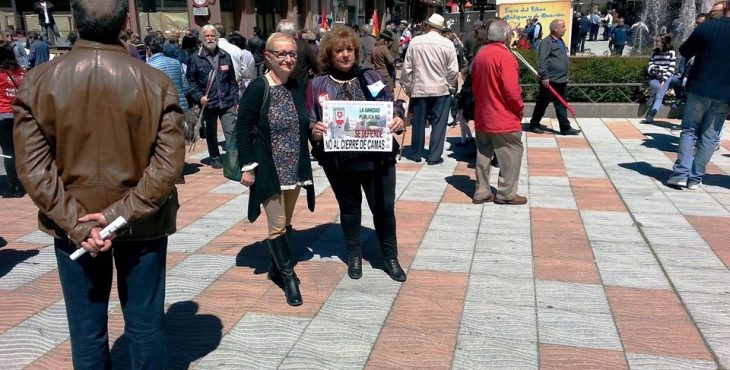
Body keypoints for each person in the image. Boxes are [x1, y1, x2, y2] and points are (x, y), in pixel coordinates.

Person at [13, 0, 185, 368]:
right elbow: (168, 164)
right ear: (126, 21)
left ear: (74, 19)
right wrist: (118, 215)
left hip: (74, 226)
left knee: (86, 327)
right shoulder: (155, 81)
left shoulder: (39, 81)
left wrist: (78, 222)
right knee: (145, 324)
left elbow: (33, 167)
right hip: (142, 223)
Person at [307, 25, 408, 282]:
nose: (345, 55)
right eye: (339, 50)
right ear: (329, 54)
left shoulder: (370, 77)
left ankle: (390, 257)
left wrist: (397, 117)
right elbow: (309, 120)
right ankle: (354, 255)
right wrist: (314, 131)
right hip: (340, 161)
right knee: (350, 209)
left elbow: (391, 103)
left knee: (384, 209)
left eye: (349, 50)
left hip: (377, 158)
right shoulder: (318, 84)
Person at [237, 32, 315, 306]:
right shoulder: (259, 87)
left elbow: (304, 121)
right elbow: (242, 129)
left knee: (287, 221)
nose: (287, 58)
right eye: (281, 53)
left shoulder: (297, 85)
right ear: (267, 56)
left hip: (294, 167)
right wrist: (247, 167)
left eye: (292, 53)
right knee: (277, 224)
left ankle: (274, 268)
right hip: (269, 168)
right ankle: (288, 276)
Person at [666, 4, 730, 190]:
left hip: (700, 87)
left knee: (690, 130)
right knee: (710, 135)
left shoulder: (708, 26)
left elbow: (685, 50)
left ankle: (680, 174)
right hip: (724, 93)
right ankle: (695, 178)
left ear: (725, 6)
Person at [471, 19, 528, 206]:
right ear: (506, 35)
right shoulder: (505, 56)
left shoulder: (481, 54)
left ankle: (481, 191)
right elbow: (511, 91)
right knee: (511, 152)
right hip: (502, 116)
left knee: (483, 154)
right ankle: (506, 193)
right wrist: (519, 109)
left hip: (483, 114)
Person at [400, 14, 459, 164]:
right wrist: (452, 87)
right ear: (440, 29)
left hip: (420, 88)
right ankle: (434, 156)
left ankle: (416, 153)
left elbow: (407, 69)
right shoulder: (448, 44)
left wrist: (408, 87)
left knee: (418, 122)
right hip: (441, 89)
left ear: (427, 26)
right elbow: (453, 71)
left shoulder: (415, 42)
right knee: (439, 124)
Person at [186, 24, 238, 169]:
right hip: (208, 103)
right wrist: (199, 97)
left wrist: (236, 100)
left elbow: (232, 80)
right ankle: (215, 157)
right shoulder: (195, 58)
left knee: (231, 131)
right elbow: (190, 81)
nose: (210, 38)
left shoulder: (225, 56)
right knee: (211, 132)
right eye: (206, 36)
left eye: (212, 35)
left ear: (217, 37)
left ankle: (233, 160)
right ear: (202, 38)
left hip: (226, 101)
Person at [528, 19, 582, 136]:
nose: (565, 29)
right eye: (562, 26)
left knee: (561, 103)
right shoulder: (547, 42)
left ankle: (565, 127)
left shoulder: (560, 41)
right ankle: (534, 124)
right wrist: (545, 76)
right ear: (554, 29)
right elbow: (542, 60)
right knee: (543, 103)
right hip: (550, 81)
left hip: (561, 80)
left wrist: (566, 75)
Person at [0, 38, 24, 198]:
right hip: (19, 115)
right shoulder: (20, 71)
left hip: (2, 115)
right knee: (18, 151)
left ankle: (12, 186)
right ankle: (21, 183)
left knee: (8, 153)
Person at [145, 33, 188, 111]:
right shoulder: (176, 62)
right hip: (182, 108)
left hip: (163, 112)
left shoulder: (147, 67)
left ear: (148, 49)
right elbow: (185, 87)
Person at [644, 33, 677, 123]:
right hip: (655, 76)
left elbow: (671, 68)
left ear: (664, 42)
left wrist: (664, 80)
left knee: (660, 95)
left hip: (666, 76)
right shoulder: (654, 52)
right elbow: (650, 65)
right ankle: (652, 94)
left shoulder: (671, 53)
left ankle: (651, 116)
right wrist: (654, 71)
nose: (656, 42)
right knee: (654, 85)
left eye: (658, 41)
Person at [214, 23, 255, 93]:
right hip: (235, 88)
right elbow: (244, 72)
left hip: (215, 90)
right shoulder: (237, 50)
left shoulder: (211, 49)